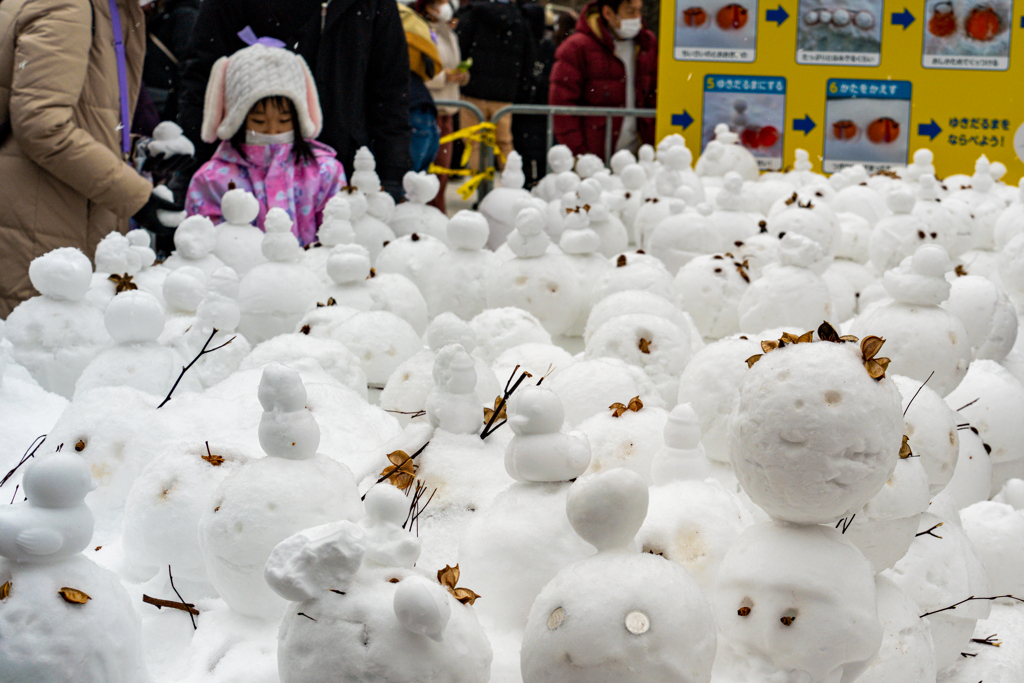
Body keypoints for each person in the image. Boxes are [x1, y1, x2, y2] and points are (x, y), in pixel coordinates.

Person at [0, 0, 175, 316]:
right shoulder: (69, 7)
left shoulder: (106, 10)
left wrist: (140, 150)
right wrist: (136, 196)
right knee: (38, 344)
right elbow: (41, 125)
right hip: (42, 222)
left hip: (53, 211)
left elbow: (82, 115)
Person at [177, 0, 411, 201]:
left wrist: (393, 171)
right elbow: (203, 76)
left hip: (344, 173)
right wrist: (188, 165)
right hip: (244, 175)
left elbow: (390, 89)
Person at [185, 42, 346, 247]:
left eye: (284, 120)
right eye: (259, 121)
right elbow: (205, 247)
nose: (272, 131)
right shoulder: (212, 179)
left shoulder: (325, 172)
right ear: (238, 119)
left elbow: (337, 237)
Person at [549, 0, 657, 159]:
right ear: (608, 13)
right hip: (594, 156)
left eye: (639, 11)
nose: (637, 18)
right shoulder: (576, 47)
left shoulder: (646, 44)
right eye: (630, 11)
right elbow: (563, 106)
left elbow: (655, 95)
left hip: (638, 156)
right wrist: (580, 154)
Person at [455, 0, 534, 171]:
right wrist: (520, 88)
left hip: (473, 90)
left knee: (474, 143)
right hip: (504, 95)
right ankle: (511, 186)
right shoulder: (520, 21)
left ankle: (480, 188)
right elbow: (528, 59)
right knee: (504, 142)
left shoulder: (473, 16)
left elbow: (460, 48)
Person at [417, 0, 468, 212]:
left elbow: (455, 63)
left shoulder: (449, 33)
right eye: (440, 2)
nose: (444, 6)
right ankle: (426, 214)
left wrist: (462, 76)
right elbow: (420, 73)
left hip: (449, 110)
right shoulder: (421, 31)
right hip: (429, 110)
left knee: (442, 172)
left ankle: (437, 212)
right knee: (427, 171)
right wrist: (443, 77)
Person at [398, 0, 442, 174]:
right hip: (423, 106)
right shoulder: (413, 24)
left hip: (409, 110)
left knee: (406, 183)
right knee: (417, 183)